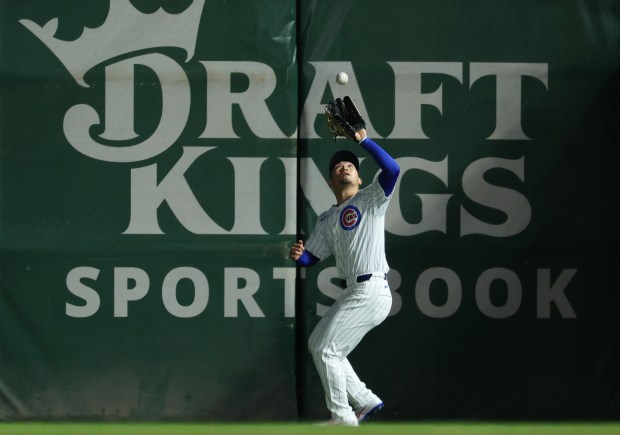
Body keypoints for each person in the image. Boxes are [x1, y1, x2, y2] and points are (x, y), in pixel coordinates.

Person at [289, 125, 400, 426]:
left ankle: (343, 417)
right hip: (353, 291)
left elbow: (392, 169)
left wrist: (364, 140)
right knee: (318, 345)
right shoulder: (327, 219)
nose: (344, 167)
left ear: (360, 177)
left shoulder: (371, 200)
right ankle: (365, 401)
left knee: (327, 349)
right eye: (338, 166)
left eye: (350, 165)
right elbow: (312, 257)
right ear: (330, 181)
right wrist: (301, 257)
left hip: (372, 288)